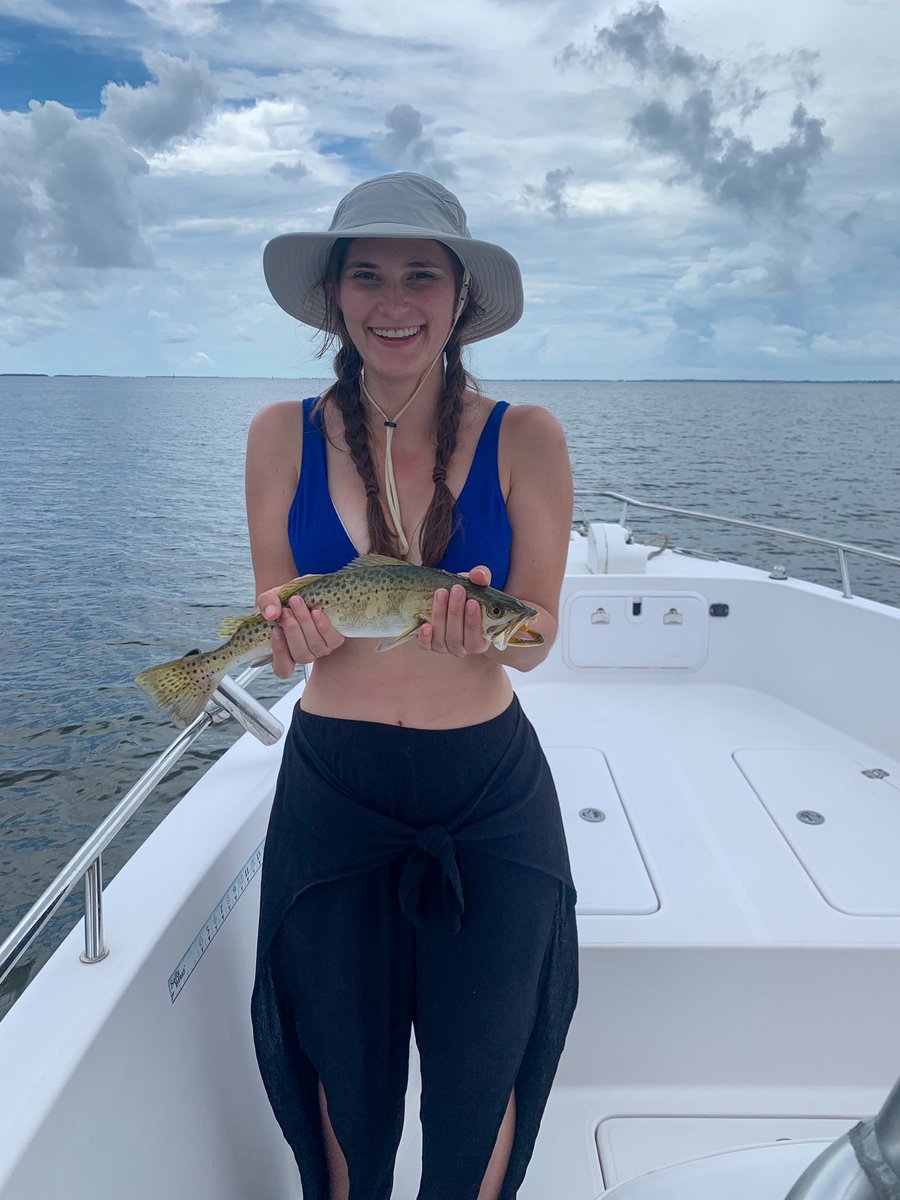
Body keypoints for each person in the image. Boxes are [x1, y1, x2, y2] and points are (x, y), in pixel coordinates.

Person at [248, 172, 578, 1200]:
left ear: (461, 297)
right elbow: (279, 633)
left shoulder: (529, 438)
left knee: (485, 1066)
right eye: (369, 276)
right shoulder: (276, 434)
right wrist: (289, 635)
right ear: (337, 297)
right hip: (334, 792)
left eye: (421, 275)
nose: (395, 302)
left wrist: (484, 641)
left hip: (485, 796)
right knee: (343, 1072)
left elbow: (534, 639)